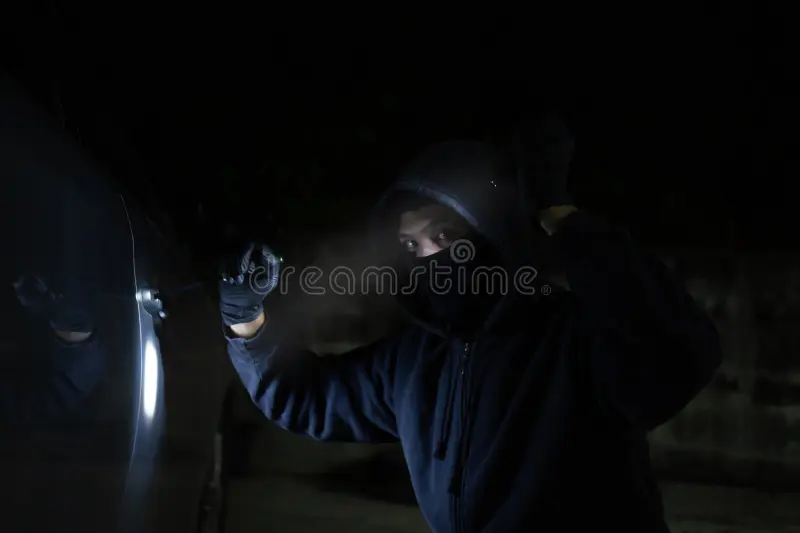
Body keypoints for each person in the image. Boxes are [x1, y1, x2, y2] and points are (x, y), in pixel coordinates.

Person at [218, 116, 722, 532]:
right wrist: (246, 315)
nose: (430, 258)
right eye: (411, 246)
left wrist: (561, 216)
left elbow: (676, 358)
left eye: (445, 233)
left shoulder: (572, 336)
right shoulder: (413, 361)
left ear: (492, 231)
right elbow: (303, 396)